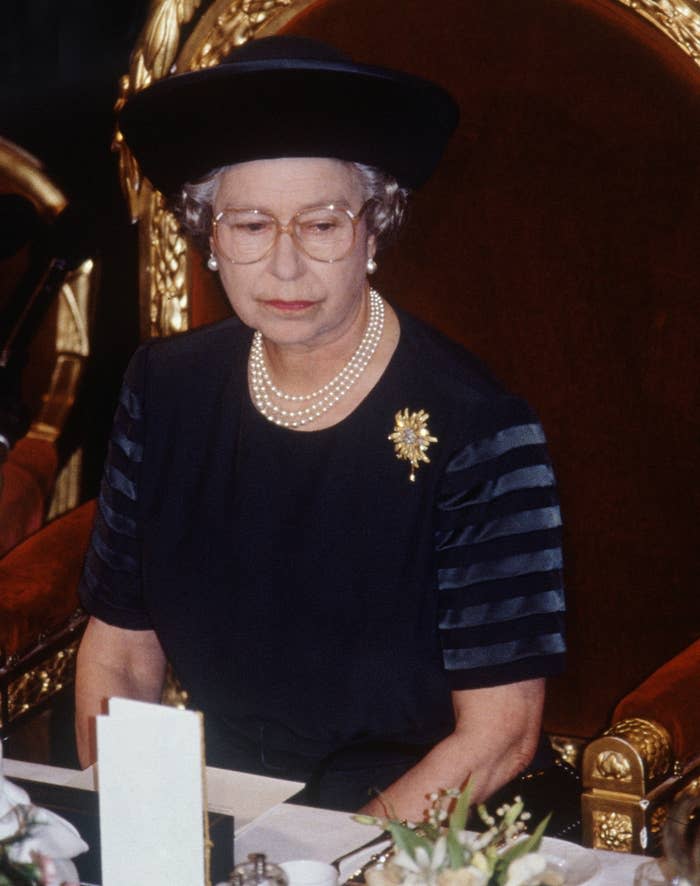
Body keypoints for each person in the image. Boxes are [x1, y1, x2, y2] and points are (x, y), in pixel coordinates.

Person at [75, 35, 566, 821]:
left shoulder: (478, 426)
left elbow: (500, 737)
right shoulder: (164, 389)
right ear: (209, 237)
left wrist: (332, 870)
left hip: (424, 826)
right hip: (218, 805)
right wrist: (136, 825)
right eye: (250, 226)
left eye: (323, 225)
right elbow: (121, 651)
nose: (285, 267)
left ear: (375, 231)